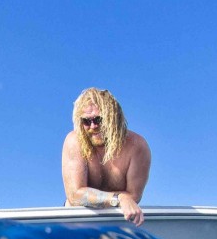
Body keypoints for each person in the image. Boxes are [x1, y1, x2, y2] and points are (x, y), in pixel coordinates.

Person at [61, 88, 152, 226]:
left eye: (99, 119)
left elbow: (134, 196)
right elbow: (75, 195)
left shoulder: (137, 146)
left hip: (118, 223)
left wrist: (123, 199)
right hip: (77, 224)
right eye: (86, 121)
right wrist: (119, 198)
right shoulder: (74, 141)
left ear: (115, 118)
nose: (93, 126)